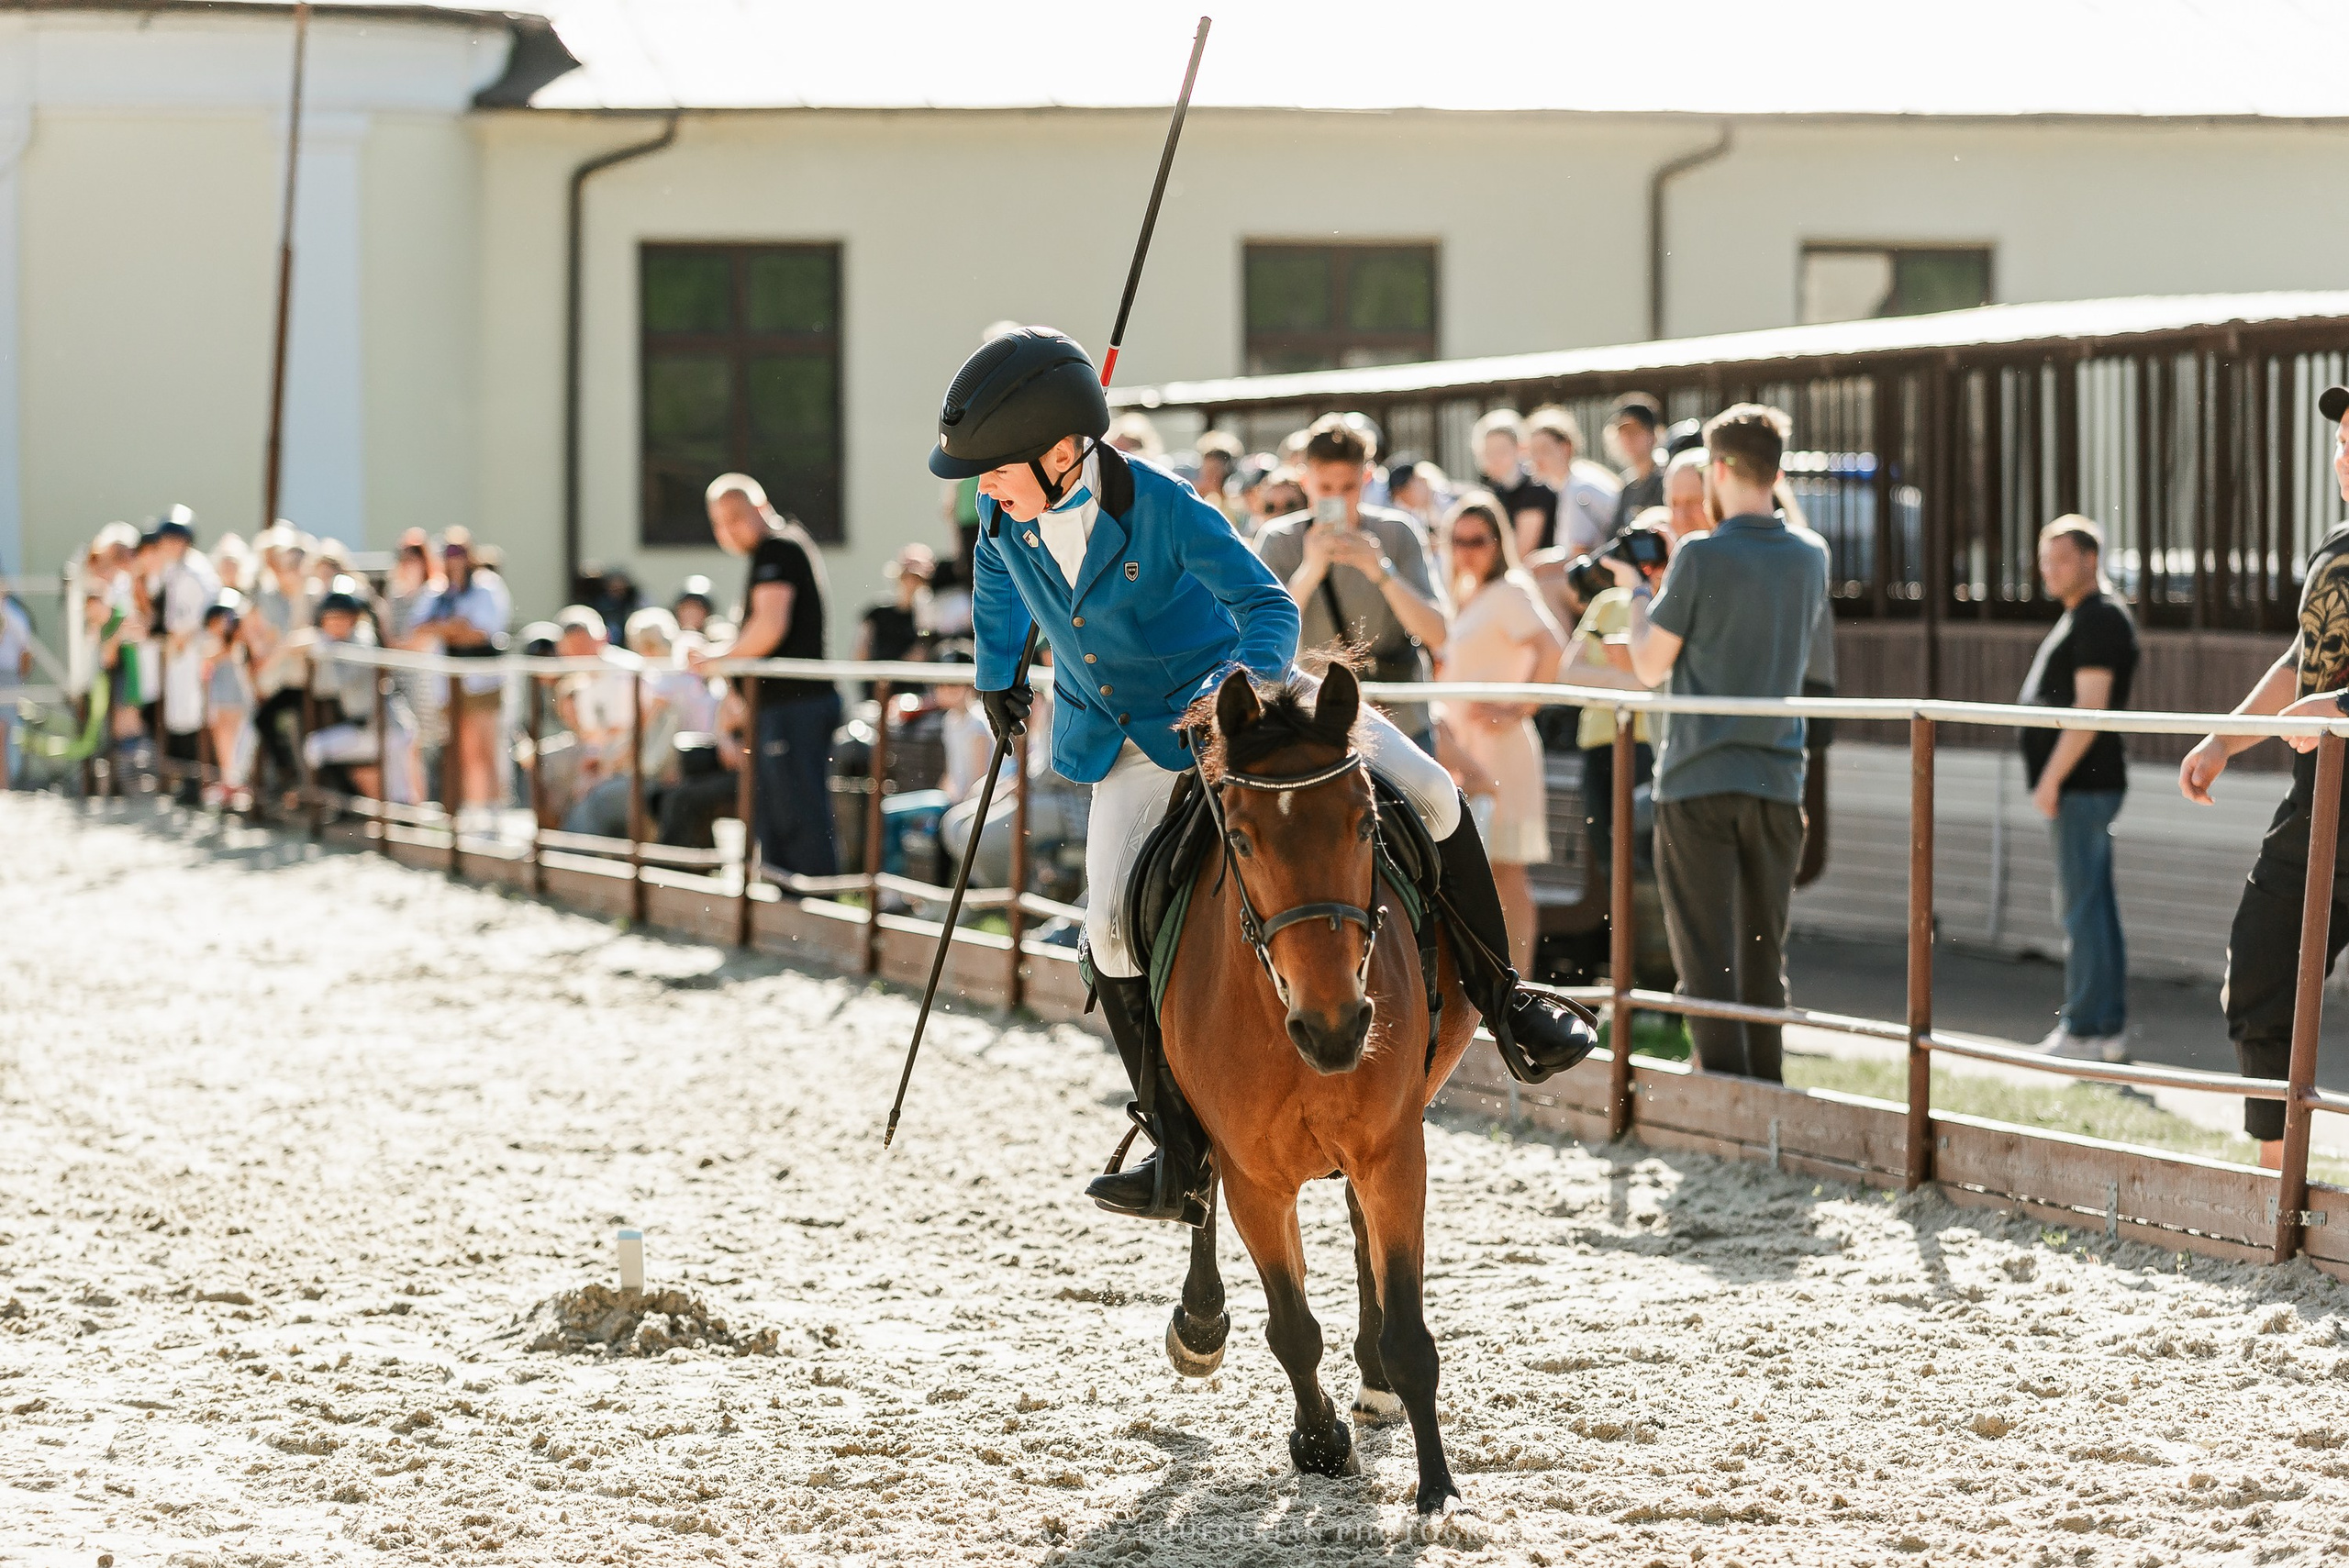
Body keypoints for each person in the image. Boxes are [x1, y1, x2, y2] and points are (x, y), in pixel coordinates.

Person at [930, 327, 1593, 1227]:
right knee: (1113, 934)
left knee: (1434, 789)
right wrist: (997, 672)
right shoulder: (1010, 513)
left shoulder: (1167, 508)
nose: (981, 491)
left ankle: (1509, 1002)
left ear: (1058, 453)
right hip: (1125, 739)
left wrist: (1230, 690)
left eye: (995, 468)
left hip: (1245, 694)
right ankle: (1174, 1144)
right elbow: (995, 577)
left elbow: (1266, 604)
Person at [1609, 404, 1829, 1082]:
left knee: (1706, 957)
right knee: (1765, 954)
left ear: (1723, 468)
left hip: (1699, 776)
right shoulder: (1812, 554)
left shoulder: (1701, 555)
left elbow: (1649, 665)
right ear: (1777, 467)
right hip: (1778, 776)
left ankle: (1723, 1100)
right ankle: (1766, 1092)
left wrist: (1638, 595)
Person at [2182, 382, 2349, 1170]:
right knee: (2259, 964)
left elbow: (2325, 690)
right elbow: (2299, 659)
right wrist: (2226, 739)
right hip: (2318, 801)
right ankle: (2278, 1178)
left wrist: (2336, 704)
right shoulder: (2334, 547)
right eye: (2343, 441)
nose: (2345, 455)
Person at [1252, 414, 1451, 754]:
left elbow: (1437, 634)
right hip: (1314, 720)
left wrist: (1381, 571)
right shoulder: (1279, 539)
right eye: (1325, 488)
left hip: (1398, 721)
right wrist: (1310, 570)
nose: (1338, 500)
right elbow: (1263, 634)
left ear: (1367, 477)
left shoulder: (1397, 532)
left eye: (1349, 487)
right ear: (1305, 479)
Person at [2017, 517, 2138, 1062]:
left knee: (2082, 907)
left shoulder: (2099, 618)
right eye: (2045, 559)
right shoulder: (2082, 617)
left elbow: (2090, 712)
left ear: (2090, 559)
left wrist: (2050, 778)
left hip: (2083, 786)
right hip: (2083, 785)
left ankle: (2087, 1027)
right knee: (2093, 905)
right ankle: (2103, 1029)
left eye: (2060, 559)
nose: (2050, 570)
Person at [1433, 495, 1568, 974]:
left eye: (1479, 540)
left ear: (1498, 543)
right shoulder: (1467, 595)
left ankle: (1519, 985)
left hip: (1500, 749)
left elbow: (1553, 647)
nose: (1468, 549)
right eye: (1458, 540)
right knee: (1476, 870)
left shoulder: (1510, 590)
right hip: (1463, 748)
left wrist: (1517, 708)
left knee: (1506, 871)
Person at [689, 473, 838, 880]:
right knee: (775, 813)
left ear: (760, 506)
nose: (728, 530)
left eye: (735, 517)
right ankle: (787, 904)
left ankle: (813, 903)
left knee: (797, 812)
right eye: (719, 522)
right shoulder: (773, 552)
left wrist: (716, 658)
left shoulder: (780, 549)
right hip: (782, 704)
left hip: (796, 704)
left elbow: (770, 626)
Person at [406, 528, 509, 832]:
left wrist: (444, 628)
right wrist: (454, 627)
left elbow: (482, 630)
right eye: (449, 553)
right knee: (460, 747)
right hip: (449, 682)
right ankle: (471, 808)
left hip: (482, 679)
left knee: (485, 746)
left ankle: (493, 810)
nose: (454, 560)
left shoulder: (487, 587)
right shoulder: (437, 592)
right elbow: (419, 629)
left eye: (459, 552)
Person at [153, 509, 218, 805]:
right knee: (179, 715)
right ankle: (186, 779)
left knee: (195, 714)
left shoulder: (197, 570)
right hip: (179, 649)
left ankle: (199, 780)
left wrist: (183, 637)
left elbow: (208, 612)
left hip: (194, 648)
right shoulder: (173, 569)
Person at [1523, 407, 1622, 560]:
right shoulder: (1575, 480)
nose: (1537, 459)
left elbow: (1579, 554)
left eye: (1544, 450)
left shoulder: (1578, 487)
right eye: (1533, 452)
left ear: (1566, 447)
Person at [1473, 408, 1557, 552]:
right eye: (1489, 452)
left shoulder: (1534, 489)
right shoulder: (1493, 490)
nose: (1495, 458)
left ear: (1520, 448)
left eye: (1501, 450)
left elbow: (1522, 551)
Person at [1608, 393, 1666, 533]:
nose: (1628, 438)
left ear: (1652, 435)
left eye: (1635, 431)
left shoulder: (1664, 481)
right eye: (1623, 432)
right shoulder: (1627, 486)